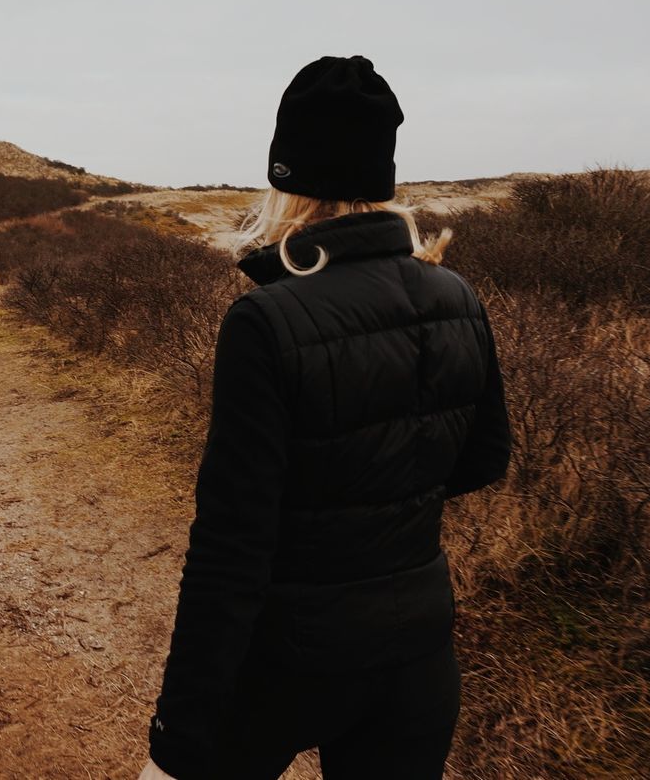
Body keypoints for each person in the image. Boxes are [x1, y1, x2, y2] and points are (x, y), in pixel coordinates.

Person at [137, 55, 512, 780]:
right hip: (418, 656)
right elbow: (483, 458)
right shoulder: (458, 294)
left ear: (287, 176)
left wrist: (176, 740)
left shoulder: (264, 319)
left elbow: (231, 546)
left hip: (288, 657)